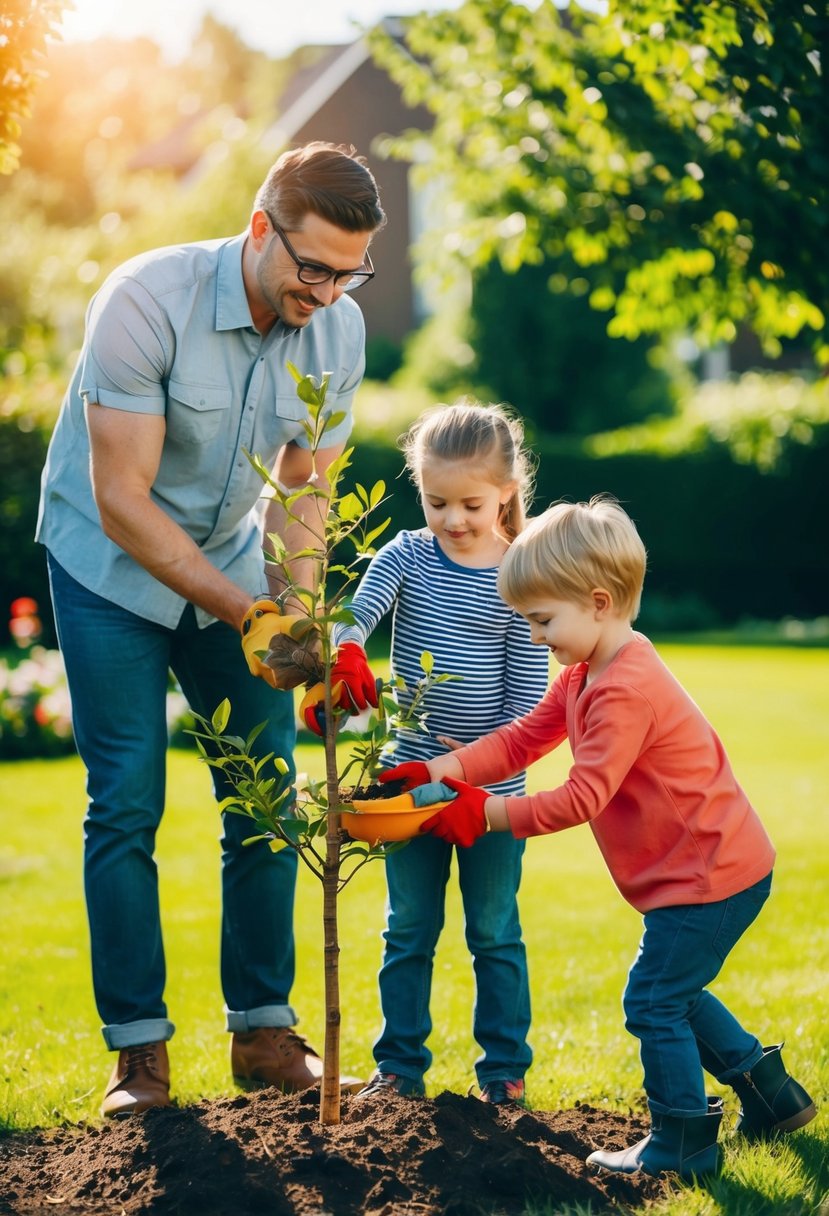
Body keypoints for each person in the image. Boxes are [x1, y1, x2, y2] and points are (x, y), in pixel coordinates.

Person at [36, 141, 385, 1117]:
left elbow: (306, 492)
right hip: (107, 563)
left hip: (231, 563)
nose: (324, 289)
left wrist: (300, 617)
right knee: (126, 799)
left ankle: (265, 1033)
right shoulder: (144, 300)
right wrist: (251, 613)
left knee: (265, 795)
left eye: (346, 270)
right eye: (310, 265)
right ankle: (138, 1055)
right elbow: (120, 497)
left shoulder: (338, 330)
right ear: (260, 228)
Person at [384, 496, 816, 1177]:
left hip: (709, 876)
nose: (533, 638)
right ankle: (772, 1093)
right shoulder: (588, 671)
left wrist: (485, 813)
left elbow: (581, 797)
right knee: (673, 990)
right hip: (702, 871)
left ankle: (682, 1138)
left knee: (652, 1000)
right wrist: (442, 769)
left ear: (596, 601)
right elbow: (526, 737)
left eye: (541, 620)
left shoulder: (624, 689)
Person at [328, 400, 549, 1104]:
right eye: (436, 501)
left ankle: (503, 1071)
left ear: (506, 494)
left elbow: (528, 704)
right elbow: (358, 612)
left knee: (493, 931)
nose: (452, 519)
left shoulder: (523, 575)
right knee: (408, 929)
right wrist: (347, 647)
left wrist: (477, 772)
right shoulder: (408, 553)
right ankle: (398, 1069)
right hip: (409, 779)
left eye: (470, 504)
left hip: (492, 795)